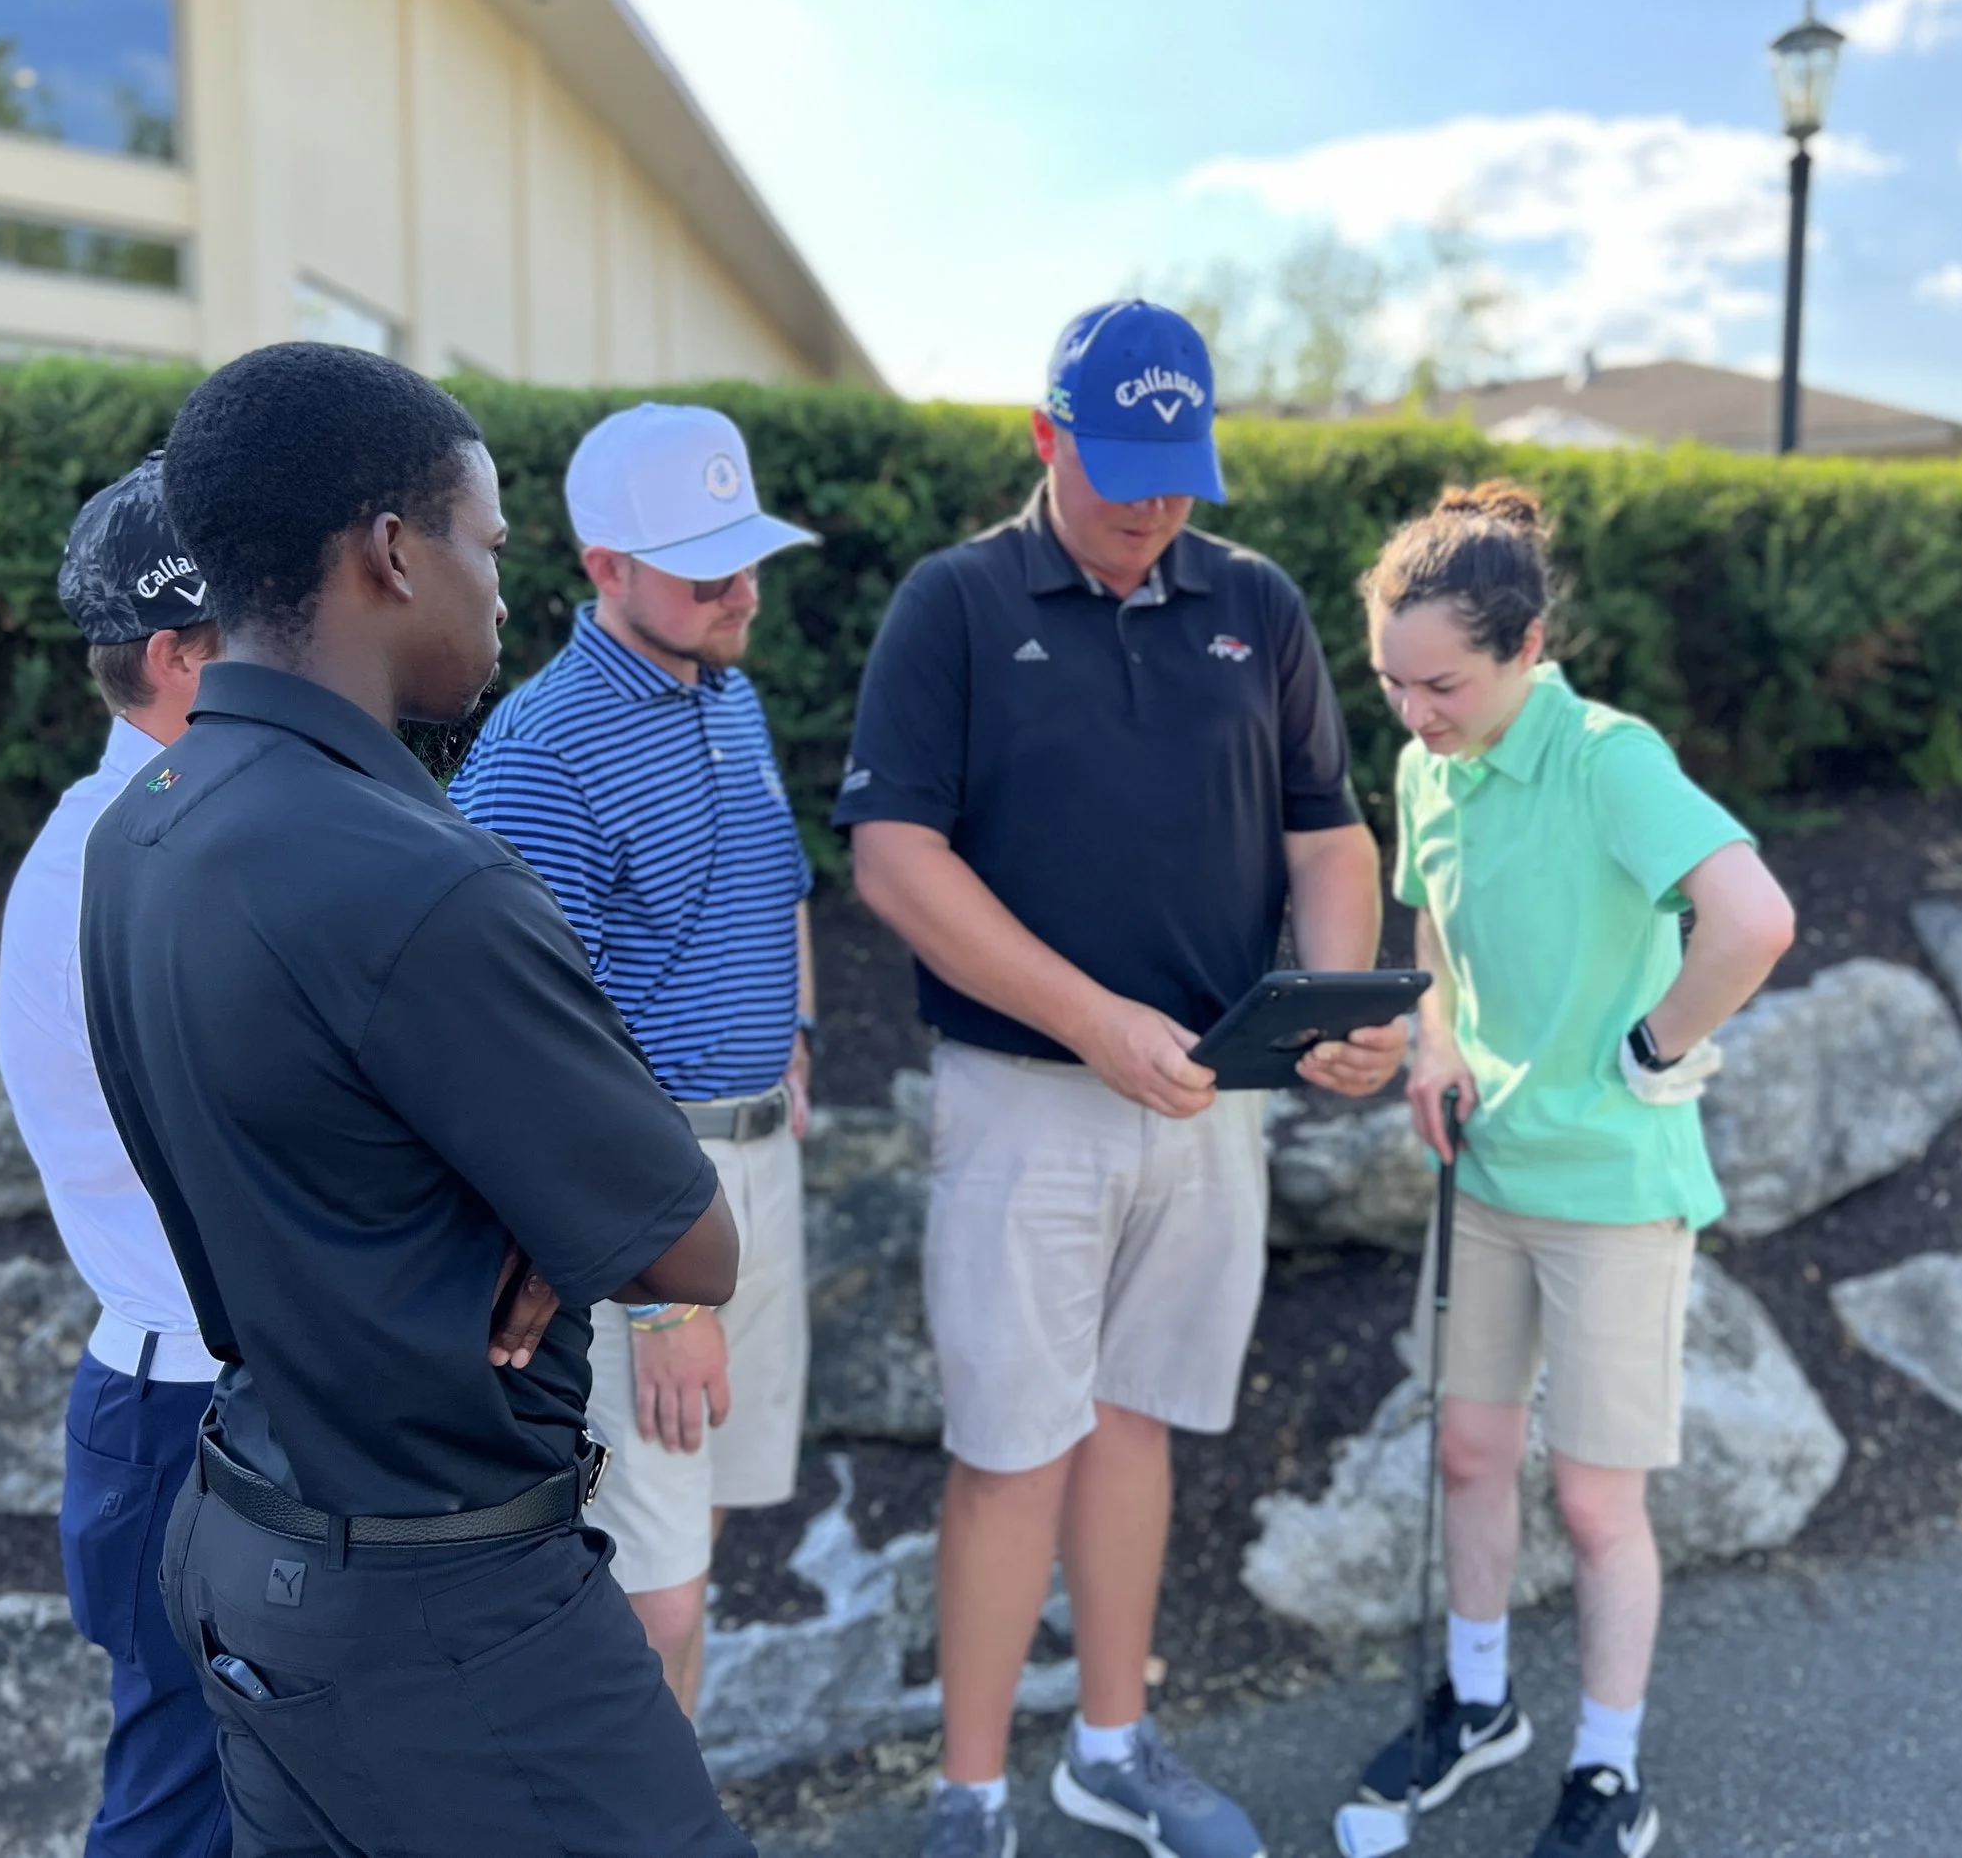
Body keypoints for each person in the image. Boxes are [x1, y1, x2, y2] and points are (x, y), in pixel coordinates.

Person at [78, 341, 756, 1858]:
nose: (501, 590)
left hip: (254, 1537)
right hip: (450, 1615)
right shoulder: (420, 879)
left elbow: (312, 1148)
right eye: (486, 545)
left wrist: (533, 1192)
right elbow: (692, 1246)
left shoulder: (144, 826)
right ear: (391, 552)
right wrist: (559, 1200)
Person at [835, 299, 1406, 1858]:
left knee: (1135, 1419)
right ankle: (969, 1796)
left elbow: (1327, 833)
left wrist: (1331, 999)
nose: (1155, 507)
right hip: (1024, 1101)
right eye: (1123, 470)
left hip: (1208, 1104)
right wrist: (1091, 1017)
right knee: (1011, 1449)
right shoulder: (955, 602)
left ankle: (1111, 1748)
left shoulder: (1257, 603)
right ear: (1047, 437)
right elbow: (895, 858)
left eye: (1179, 475)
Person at [1353, 483, 1796, 1858]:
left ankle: (1610, 1773)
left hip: (1612, 1195)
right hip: (1486, 1174)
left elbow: (1754, 918)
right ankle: (1481, 1699)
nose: (1416, 712)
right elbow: (1430, 931)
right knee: (1471, 1451)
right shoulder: (1430, 767)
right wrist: (1435, 1046)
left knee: (1597, 1502)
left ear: (1528, 646)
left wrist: (1656, 1044)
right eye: (1392, 682)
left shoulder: (1611, 758)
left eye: (1444, 684)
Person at [449, 402, 820, 1716]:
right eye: (706, 570)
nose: (742, 592)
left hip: (751, 1163)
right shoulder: (544, 751)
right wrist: (662, 1299)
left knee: (691, 1546)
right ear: (605, 565)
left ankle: (668, 1807)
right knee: (646, 1595)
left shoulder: (729, 694)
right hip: (642, 1212)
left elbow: (779, 886)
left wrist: (794, 1040)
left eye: (747, 558)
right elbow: (533, 1049)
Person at [0, 452, 230, 1858]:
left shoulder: (158, 833)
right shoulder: (127, 860)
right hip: (187, 1412)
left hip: (189, 1401)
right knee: (180, 1816)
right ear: (173, 655)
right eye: (263, 623)